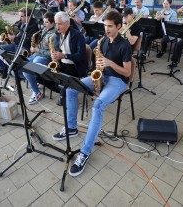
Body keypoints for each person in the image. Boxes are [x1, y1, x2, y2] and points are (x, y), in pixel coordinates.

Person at [52, 11, 132, 177]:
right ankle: (72, 128)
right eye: (105, 26)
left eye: (110, 26)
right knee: (70, 89)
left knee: (97, 106)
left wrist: (110, 63)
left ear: (118, 26)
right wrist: (99, 70)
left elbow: (127, 72)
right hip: (103, 76)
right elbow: (99, 62)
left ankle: (85, 152)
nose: (107, 29)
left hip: (118, 81)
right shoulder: (103, 41)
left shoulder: (124, 45)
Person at [22, 12, 56, 104]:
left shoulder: (54, 35)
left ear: (53, 23)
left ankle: (37, 92)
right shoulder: (45, 30)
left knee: (26, 71)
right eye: (43, 22)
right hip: (37, 55)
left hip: (45, 58)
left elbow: (52, 53)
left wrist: (37, 50)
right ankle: (36, 80)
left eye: (46, 22)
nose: (44, 25)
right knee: (22, 64)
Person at [0, 8, 39, 78]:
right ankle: (4, 68)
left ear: (28, 16)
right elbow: (19, 35)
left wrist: (14, 38)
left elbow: (27, 42)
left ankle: (20, 74)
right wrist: (11, 36)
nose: (20, 18)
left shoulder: (33, 26)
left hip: (25, 47)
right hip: (17, 44)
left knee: (19, 58)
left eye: (22, 16)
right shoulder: (20, 23)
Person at [51, 11, 88, 78]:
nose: (57, 27)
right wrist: (55, 55)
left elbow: (81, 55)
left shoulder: (77, 35)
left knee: (60, 81)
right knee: (45, 77)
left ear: (68, 23)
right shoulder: (57, 35)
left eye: (59, 24)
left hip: (74, 66)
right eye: (56, 24)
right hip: (61, 64)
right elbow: (57, 50)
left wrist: (65, 56)